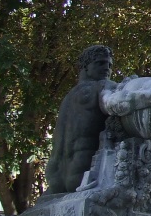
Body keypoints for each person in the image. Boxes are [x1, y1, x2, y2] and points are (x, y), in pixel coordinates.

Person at [44, 45, 117, 194]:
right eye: (100, 63)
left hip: (54, 180)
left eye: (109, 65)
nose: (107, 69)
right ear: (85, 66)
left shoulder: (68, 98)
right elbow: (121, 103)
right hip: (82, 177)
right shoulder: (102, 88)